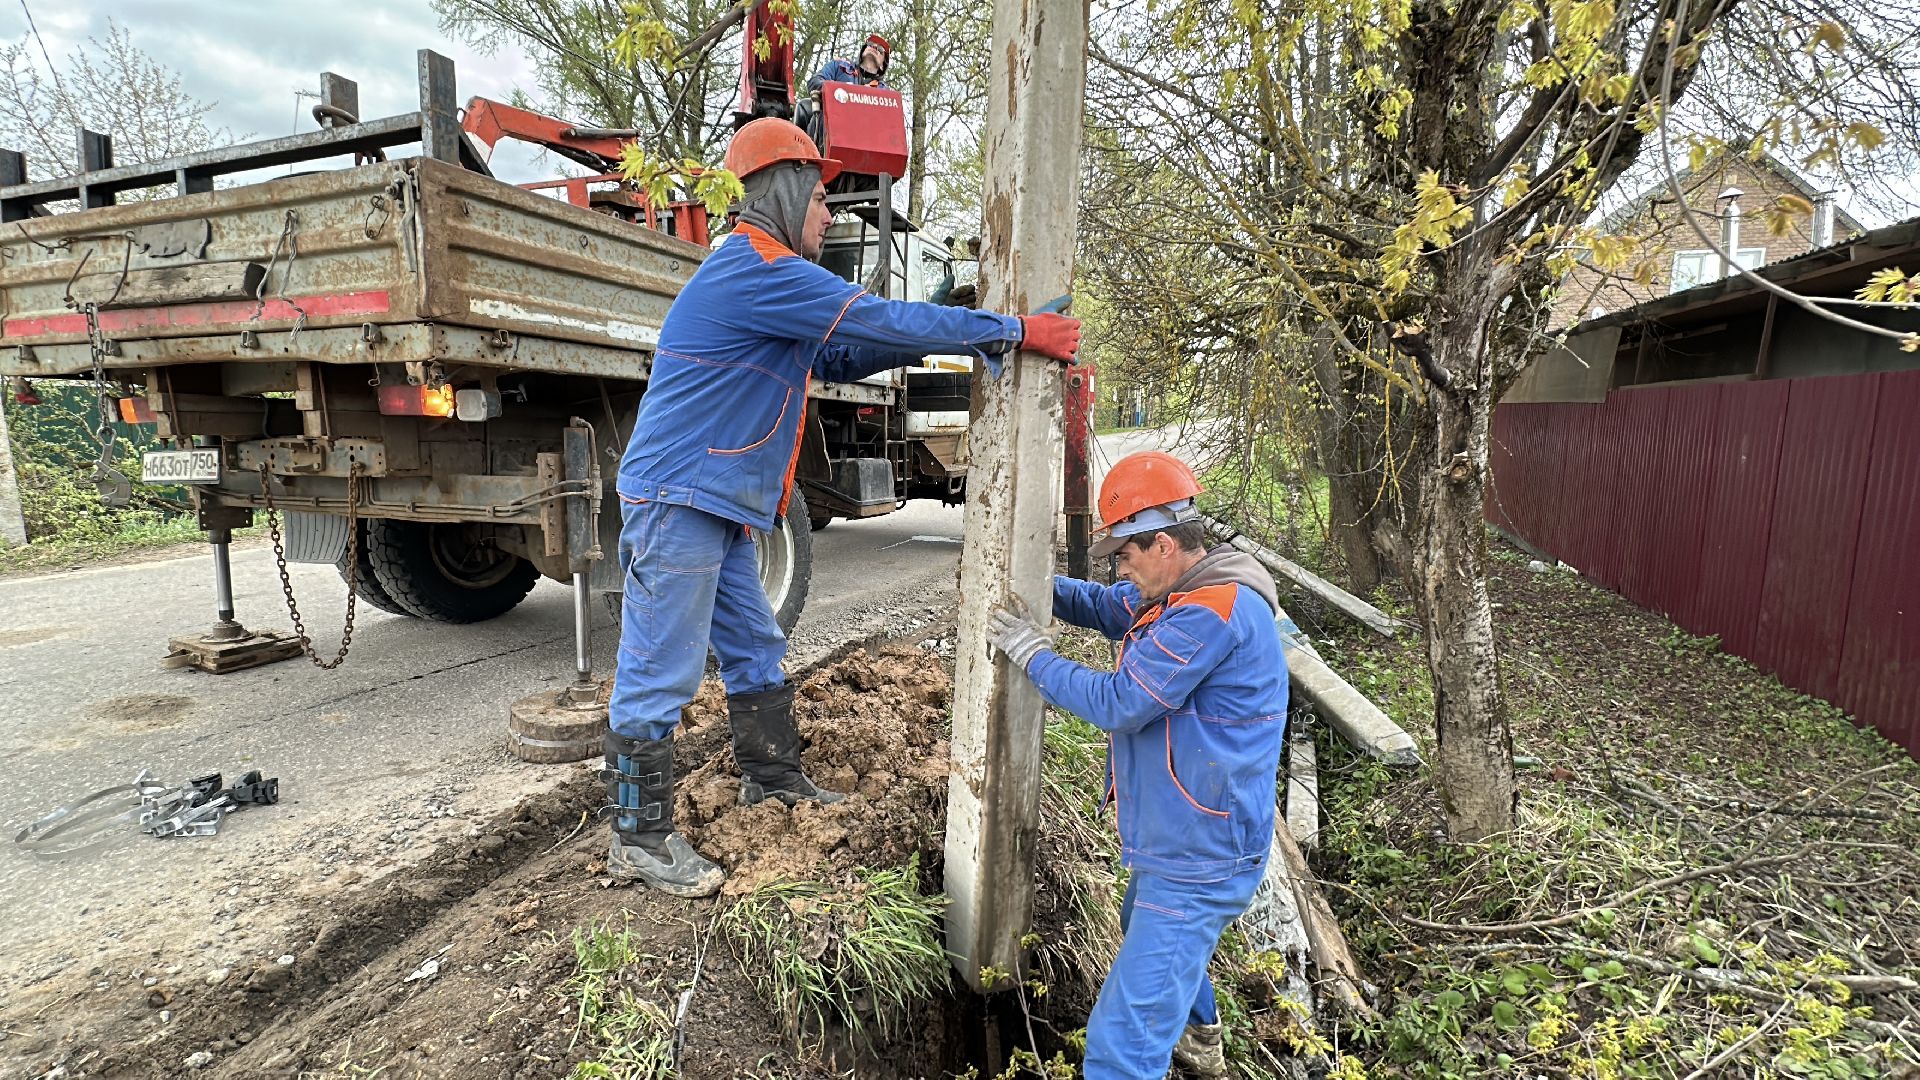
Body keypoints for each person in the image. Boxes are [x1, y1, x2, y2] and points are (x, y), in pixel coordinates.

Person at [604, 117, 1082, 898]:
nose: (830, 215)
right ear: (784, 192)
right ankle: (639, 838)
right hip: (679, 497)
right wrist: (1011, 330)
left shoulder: (768, 280)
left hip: (717, 500)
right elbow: (878, 319)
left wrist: (962, 332)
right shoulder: (757, 270)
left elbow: (847, 350)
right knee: (661, 672)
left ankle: (774, 780)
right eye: (822, 198)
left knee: (756, 647)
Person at [985, 451, 1289, 1080]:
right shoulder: (1187, 587)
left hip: (1200, 853)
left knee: (1121, 1048)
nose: (1121, 569)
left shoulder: (1211, 612)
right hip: (1182, 838)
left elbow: (1121, 702)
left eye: (1126, 554)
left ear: (1165, 544)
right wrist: (1030, 581)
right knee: (1145, 928)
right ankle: (1200, 1037)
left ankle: (1166, 1045)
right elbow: (1106, 607)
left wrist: (1033, 655)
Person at [806, 33, 892, 93]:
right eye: (870, 44)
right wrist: (836, 89)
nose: (874, 47)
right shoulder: (839, 65)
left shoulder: (884, 90)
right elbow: (815, 82)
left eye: (880, 49)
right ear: (863, 51)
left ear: (882, 66)